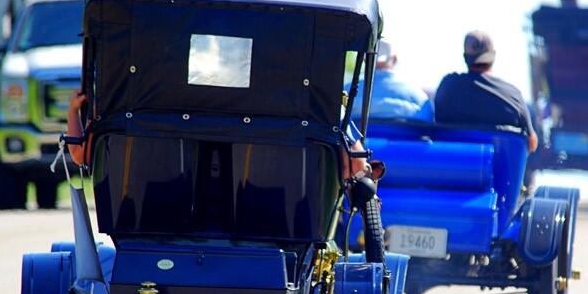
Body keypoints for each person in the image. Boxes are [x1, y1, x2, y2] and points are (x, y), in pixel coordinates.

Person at [67, 90, 370, 177]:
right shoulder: (321, 106)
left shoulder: (129, 103)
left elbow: (80, 155)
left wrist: (72, 112)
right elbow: (355, 166)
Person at [434, 30, 538, 153]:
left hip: (452, 166)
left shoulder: (448, 87)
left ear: (465, 58)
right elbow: (531, 143)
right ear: (493, 56)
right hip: (499, 170)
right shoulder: (513, 96)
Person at [348, 39, 433, 122]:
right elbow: (428, 126)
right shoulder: (418, 96)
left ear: (364, 60)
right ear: (395, 59)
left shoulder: (346, 91)